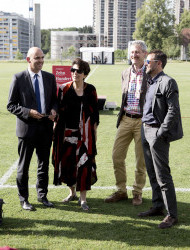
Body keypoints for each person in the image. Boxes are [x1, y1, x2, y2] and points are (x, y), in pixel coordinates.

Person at [7, 47, 58, 211]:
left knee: (44, 165)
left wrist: (53, 110)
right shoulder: (19, 78)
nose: (41, 61)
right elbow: (11, 105)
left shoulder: (50, 78)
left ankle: (42, 196)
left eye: (43, 57)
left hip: (45, 128)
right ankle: (24, 200)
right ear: (29, 60)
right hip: (27, 130)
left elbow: (55, 100)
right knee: (24, 166)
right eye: (38, 58)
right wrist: (28, 112)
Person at [138, 50, 183, 229]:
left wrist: (160, 133)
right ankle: (157, 206)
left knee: (163, 175)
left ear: (159, 64)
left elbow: (173, 111)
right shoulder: (149, 81)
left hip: (157, 133)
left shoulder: (168, 82)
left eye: (148, 61)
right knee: (151, 172)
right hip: (145, 130)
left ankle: (172, 215)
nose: (145, 63)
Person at [105, 40, 149, 205]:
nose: (134, 55)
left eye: (137, 52)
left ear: (144, 54)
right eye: (132, 52)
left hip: (142, 122)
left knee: (141, 160)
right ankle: (121, 191)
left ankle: (137, 192)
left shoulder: (150, 73)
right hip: (125, 119)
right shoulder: (125, 73)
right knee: (117, 156)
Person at [52, 58, 99, 211]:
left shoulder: (91, 90)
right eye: (73, 70)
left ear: (85, 74)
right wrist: (54, 129)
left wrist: (94, 135)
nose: (75, 73)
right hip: (66, 134)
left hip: (85, 135)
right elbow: (57, 112)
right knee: (68, 165)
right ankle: (72, 193)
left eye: (78, 71)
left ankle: (83, 199)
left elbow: (95, 116)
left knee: (84, 165)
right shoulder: (64, 89)